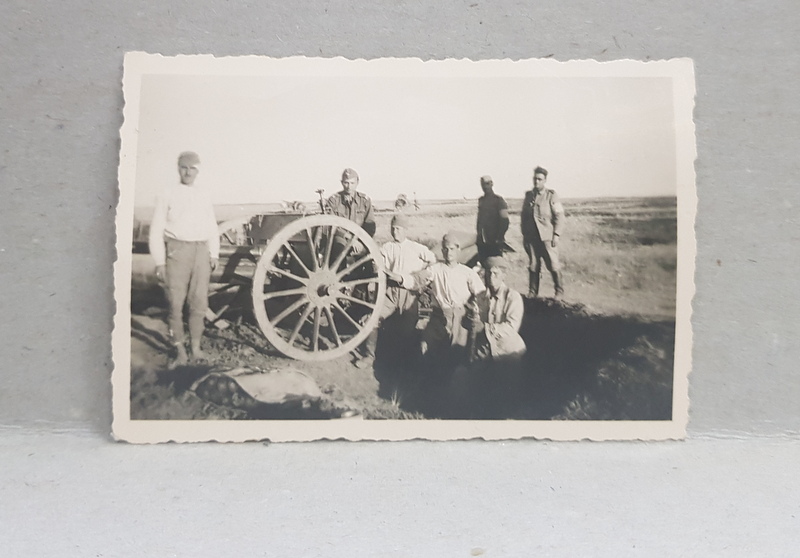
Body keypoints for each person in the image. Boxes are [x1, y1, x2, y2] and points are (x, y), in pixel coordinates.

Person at [148, 151, 220, 368]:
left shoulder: (204, 194)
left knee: (199, 303)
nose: (188, 172)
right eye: (184, 167)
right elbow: (156, 230)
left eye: (193, 168)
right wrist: (160, 261)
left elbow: (212, 226)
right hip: (177, 253)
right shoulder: (167, 193)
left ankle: (196, 349)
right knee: (175, 304)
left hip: (201, 251)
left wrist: (214, 253)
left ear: (198, 170)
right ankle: (180, 351)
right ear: (178, 168)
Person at [355, 213, 437, 369]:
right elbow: (378, 262)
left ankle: (407, 362)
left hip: (410, 294)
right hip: (391, 292)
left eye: (398, 229)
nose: (395, 232)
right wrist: (376, 266)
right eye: (393, 229)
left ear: (405, 230)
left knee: (408, 329)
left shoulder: (416, 248)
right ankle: (369, 356)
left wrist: (421, 276)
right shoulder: (387, 247)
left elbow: (433, 260)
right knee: (373, 320)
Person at [422, 232, 486, 365]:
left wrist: (478, 312)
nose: (448, 252)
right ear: (442, 251)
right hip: (439, 316)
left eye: (452, 249)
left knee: (457, 352)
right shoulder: (435, 270)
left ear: (458, 250)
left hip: (460, 317)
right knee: (426, 346)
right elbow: (418, 279)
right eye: (445, 249)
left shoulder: (467, 272)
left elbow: (481, 294)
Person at [467, 256, 526, 364]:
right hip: (484, 350)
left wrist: (485, 328)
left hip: (507, 352)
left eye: (495, 273)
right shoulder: (480, 297)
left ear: (504, 276)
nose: (491, 277)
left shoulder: (512, 297)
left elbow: (512, 327)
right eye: (489, 273)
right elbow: (474, 320)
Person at [521, 166, 565, 298]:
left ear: (545, 180)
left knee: (553, 264)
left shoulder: (551, 196)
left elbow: (560, 216)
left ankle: (559, 292)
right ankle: (533, 292)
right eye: (535, 179)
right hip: (532, 238)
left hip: (547, 238)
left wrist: (556, 234)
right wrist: (525, 235)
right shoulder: (529, 196)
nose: (536, 182)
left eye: (540, 179)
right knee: (533, 265)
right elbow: (524, 216)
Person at [325, 168, 376, 237]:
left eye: (352, 183)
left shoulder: (364, 201)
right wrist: (346, 236)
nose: (349, 187)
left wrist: (360, 241)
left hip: (360, 239)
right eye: (346, 183)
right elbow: (330, 223)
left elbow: (370, 225)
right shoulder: (334, 201)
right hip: (339, 239)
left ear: (357, 182)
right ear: (342, 182)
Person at [476, 175, 509, 264]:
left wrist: (500, 237)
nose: (485, 186)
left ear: (492, 184)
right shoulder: (481, 200)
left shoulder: (499, 200)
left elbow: (505, 221)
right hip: (483, 241)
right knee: (484, 265)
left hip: (495, 241)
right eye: (483, 184)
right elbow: (480, 220)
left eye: (487, 183)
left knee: (495, 267)